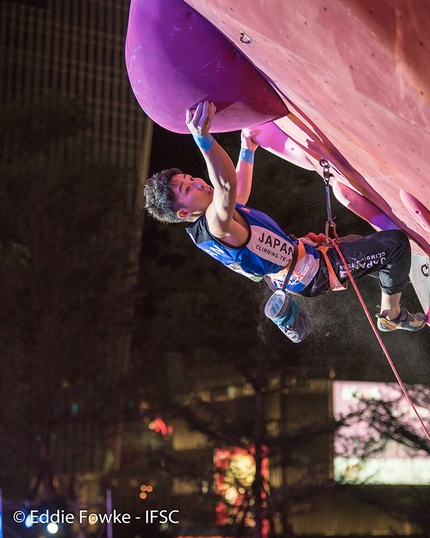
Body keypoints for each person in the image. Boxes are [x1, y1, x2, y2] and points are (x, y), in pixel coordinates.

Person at [144, 101, 427, 336]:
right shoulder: (214, 225)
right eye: (187, 188)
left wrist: (247, 149)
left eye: (191, 178)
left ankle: (397, 293)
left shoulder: (217, 220)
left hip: (305, 263)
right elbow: (228, 186)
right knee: (396, 245)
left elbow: (238, 193)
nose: (197, 182)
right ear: (183, 212)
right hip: (313, 273)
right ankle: (392, 315)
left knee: (370, 251)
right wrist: (204, 140)